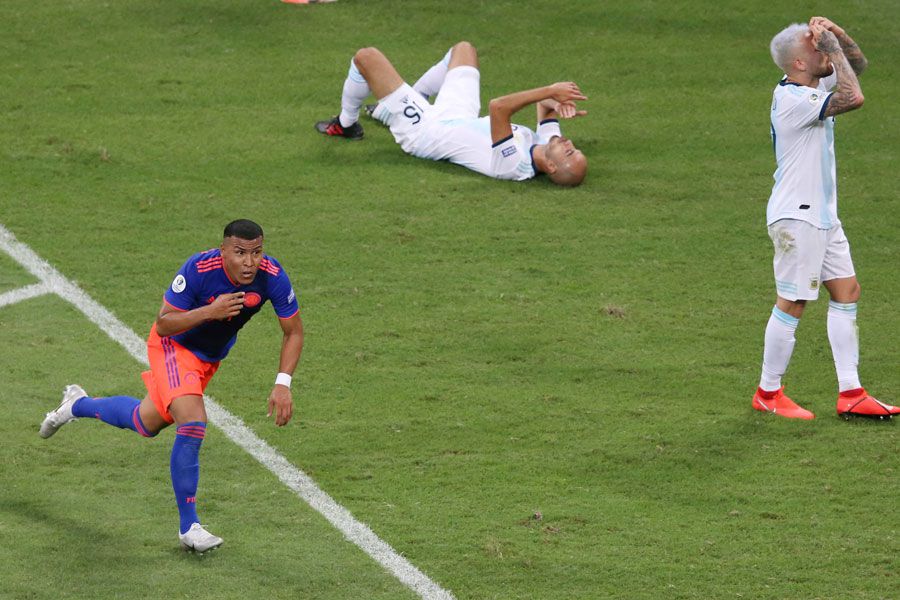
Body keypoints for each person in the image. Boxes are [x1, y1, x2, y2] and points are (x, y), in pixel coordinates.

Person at [39, 219, 304, 550]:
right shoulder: (199, 268)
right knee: (192, 422)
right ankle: (189, 527)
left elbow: (293, 330)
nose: (250, 262)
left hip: (207, 360)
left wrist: (283, 383)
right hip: (172, 347)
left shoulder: (272, 275)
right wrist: (210, 311)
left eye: (256, 252)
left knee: (146, 421)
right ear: (223, 251)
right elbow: (164, 324)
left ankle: (75, 405)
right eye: (240, 253)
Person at [752, 17, 899, 419]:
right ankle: (768, 393)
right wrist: (831, 47)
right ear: (799, 63)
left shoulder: (811, 85)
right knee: (794, 300)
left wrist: (839, 37)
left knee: (847, 291)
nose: (824, 50)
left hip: (822, 216)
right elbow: (855, 97)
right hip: (797, 218)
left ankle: (851, 392)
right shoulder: (794, 100)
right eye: (816, 47)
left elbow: (858, 67)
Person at [315, 41, 589, 186]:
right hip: (458, 116)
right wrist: (556, 103)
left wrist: (549, 90)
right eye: (573, 147)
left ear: (551, 167)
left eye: (569, 152)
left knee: (366, 57)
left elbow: (499, 108)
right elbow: (545, 109)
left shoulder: (514, 165)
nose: (568, 143)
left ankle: (345, 124)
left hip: (426, 133)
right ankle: (415, 98)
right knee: (463, 50)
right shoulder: (546, 146)